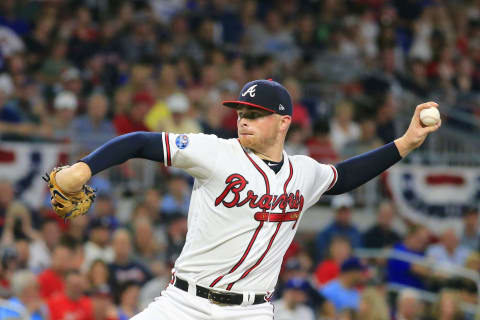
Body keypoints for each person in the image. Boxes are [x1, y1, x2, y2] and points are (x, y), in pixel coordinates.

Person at [50, 79, 440, 319]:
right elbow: (138, 141)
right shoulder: (214, 151)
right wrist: (83, 169)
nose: (243, 118)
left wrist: (405, 143)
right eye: (241, 110)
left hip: (251, 310)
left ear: (284, 122)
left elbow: (344, 177)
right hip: (184, 305)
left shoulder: (304, 172)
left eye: (256, 112)